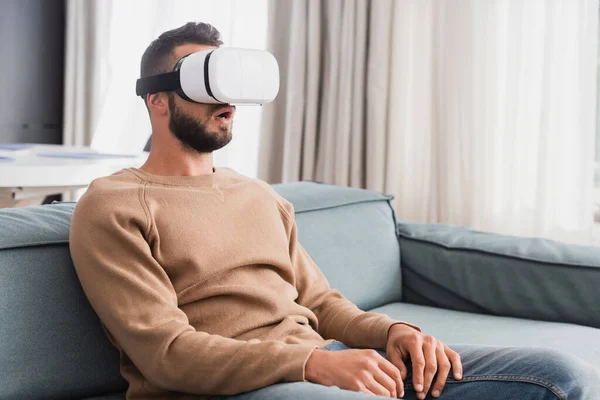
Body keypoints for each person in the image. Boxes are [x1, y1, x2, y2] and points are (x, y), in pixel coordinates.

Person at [69, 22, 600, 400]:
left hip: (321, 360)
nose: (224, 98)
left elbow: (321, 302)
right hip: (233, 387)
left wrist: (393, 334)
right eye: (203, 79)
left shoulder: (259, 196)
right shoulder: (113, 205)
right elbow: (168, 353)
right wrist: (315, 365)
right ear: (156, 99)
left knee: (558, 374)